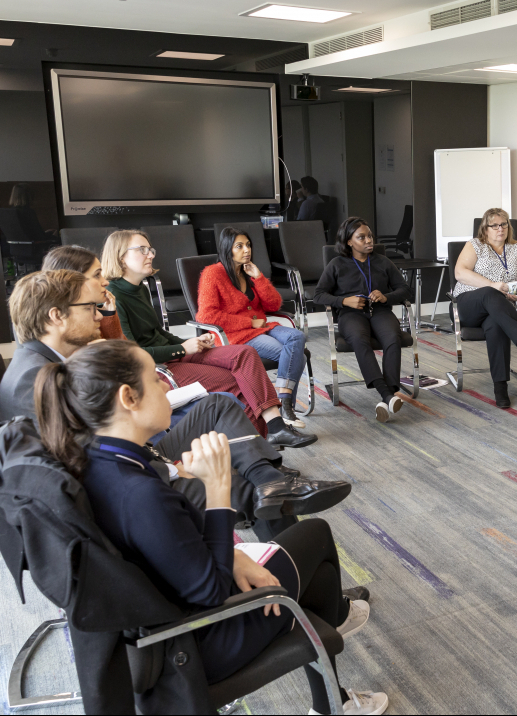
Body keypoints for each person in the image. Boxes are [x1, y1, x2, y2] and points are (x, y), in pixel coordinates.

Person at [34, 340, 387, 714]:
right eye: (155, 381)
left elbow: (172, 549)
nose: (167, 388)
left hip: (159, 624)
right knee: (316, 540)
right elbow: (211, 590)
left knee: (313, 564)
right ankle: (333, 645)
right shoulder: (138, 494)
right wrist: (217, 488)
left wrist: (233, 553)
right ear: (128, 397)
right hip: (195, 643)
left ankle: (334, 686)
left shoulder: (94, 460)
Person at [0, 270, 354, 543]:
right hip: (126, 487)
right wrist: (169, 469)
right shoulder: (34, 381)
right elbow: (91, 470)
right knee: (239, 482)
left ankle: (270, 481)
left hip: (134, 458)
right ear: (56, 316)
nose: (99, 316)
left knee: (217, 405)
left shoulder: (48, 358)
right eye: (91, 308)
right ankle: (298, 584)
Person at [102, 229, 315, 449]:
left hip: (177, 354)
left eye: (150, 249)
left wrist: (189, 345)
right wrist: (182, 349)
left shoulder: (140, 289)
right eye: (142, 250)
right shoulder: (114, 297)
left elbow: (158, 333)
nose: (151, 255)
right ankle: (265, 450)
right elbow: (133, 354)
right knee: (238, 381)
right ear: (120, 257)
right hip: (157, 366)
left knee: (245, 354)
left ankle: (275, 429)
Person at [197, 227, 310, 425]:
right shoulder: (212, 274)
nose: (246, 250)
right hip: (238, 335)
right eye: (239, 246)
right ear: (227, 249)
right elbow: (206, 315)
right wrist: (248, 322)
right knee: (297, 355)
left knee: (297, 336)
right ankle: (285, 408)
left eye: (248, 245)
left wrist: (259, 278)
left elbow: (273, 305)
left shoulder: (247, 272)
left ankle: (282, 403)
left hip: (262, 328)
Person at [313, 217, 411, 421]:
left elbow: (404, 289)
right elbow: (319, 294)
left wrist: (386, 297)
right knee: (359, 339)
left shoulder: (383, 262)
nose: (369, 241)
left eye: (370, 236)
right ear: (349, 241)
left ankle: (386, 396)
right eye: (361, 237)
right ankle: (387, 394)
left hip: (381, 311)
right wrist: (344, 301)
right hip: (351, 314)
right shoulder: (337, 264)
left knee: (393, 338)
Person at [453, 208, 517, 408]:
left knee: (496, 325)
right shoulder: (475, 245)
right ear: (485, 229)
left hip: (498, 309)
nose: (500, 229)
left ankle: (500, 388)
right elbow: (460, 273)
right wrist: (492, 284)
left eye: (503, 224)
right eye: (494, 225)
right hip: (469, 304)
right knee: (489, 292)